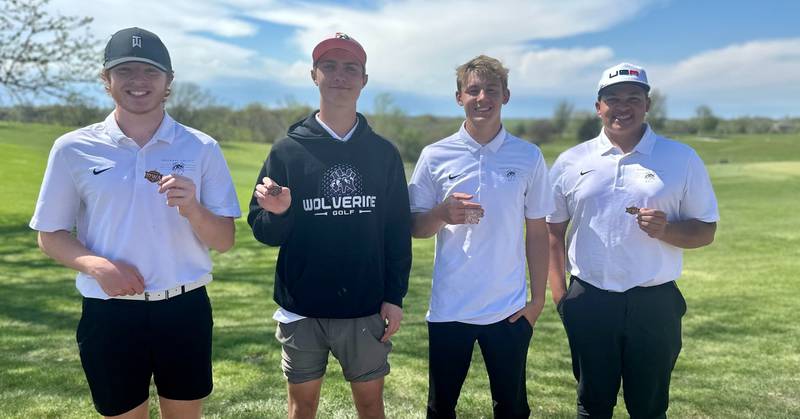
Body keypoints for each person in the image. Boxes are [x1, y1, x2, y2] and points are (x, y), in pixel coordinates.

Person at [28, 27, 240, 418]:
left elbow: (224, 240)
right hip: (109, 311)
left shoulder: (201, 147)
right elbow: (50, 234)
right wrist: (97, 266)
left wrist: (194, 208)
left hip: (184, 307)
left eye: (150, 71)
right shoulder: (73, 148)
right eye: (125, 71)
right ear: (106, 80)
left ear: (168, 82)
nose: (138, 81)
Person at [247, 32, 412, 419]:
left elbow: (396, 230)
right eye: (330, 66)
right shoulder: (287, 150)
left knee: (371, 405)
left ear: (364, 79)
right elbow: (262, 229)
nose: (340, 75)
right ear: (314, 75)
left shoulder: (383, 153)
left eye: (350, 68)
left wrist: (395, 295)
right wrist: (280, 212)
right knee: (302, 408)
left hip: (364, 305)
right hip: (301, 309)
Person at [547, 62, 719, 418]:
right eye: (612, 98)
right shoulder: (570, 160)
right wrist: (561, 294)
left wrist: (667, 229)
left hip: (655, 303)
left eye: (633, 98)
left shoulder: (681, 158)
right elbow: (552, 231)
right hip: (589, 299)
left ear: (647, 104)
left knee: (649, 407)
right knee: (592, 405)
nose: (622, 107)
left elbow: (706, 230)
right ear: (598, 107)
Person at [408, 55, 554, 419]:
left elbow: (537, 232)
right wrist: (442, 214)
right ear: (459, 97)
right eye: (473, 90)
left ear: (506, 95)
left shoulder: (528, 156)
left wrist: (537, 301)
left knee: (513, 407)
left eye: (491, 90)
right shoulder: (435, 155)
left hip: (508, 309)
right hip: (449, 309)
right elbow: (414, 228)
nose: (482, 97)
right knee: (441, 408)